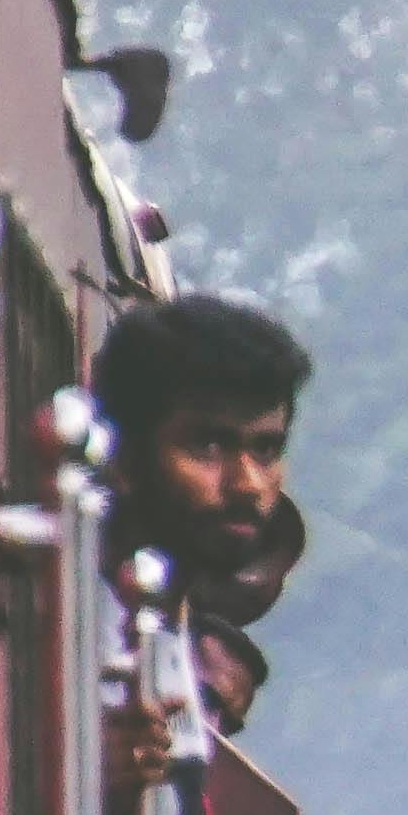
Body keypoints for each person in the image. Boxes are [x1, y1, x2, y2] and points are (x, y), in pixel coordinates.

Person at [92, 289, 315, 695]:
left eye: (266, 450)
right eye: (209, 447)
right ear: (123, 458)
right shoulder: (74, 636)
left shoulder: (164, 629)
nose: (248, 484)